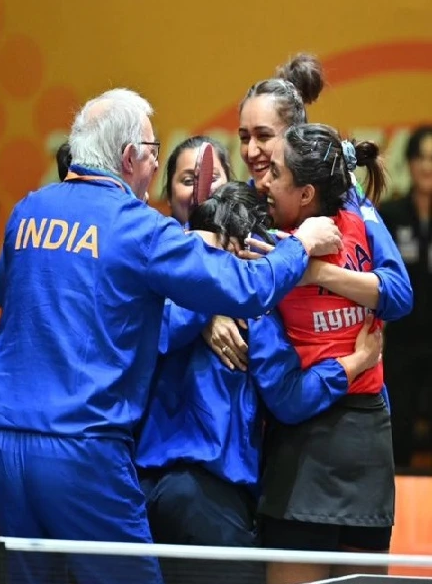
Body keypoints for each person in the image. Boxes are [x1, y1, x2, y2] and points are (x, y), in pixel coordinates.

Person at [0, 88, 343, 584]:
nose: (153, 166)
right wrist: (302, 245)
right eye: (152, 153)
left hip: (0, 441)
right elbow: (247, 286)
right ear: (130, 158)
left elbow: (8, 291)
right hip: (82, 448)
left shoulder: (27, 211)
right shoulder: (138, 228)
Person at [137, 180, 386, 584]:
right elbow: (289, 398)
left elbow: (151, 338)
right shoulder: (255, 315)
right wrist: (354, 364)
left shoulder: (157, 299)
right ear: (244, 249)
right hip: (210, 502)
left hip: (141, 496)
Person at [253, 123, 399, 584]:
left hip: (364, 437)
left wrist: (315, 271)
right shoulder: (265, 248)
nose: (263, 182)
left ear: (308, 192)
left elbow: (400, 293)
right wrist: (356, 362)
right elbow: (287, 400)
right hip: (302, 438)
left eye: (275, 172)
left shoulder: (361, 217)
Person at [204, 54, 412, 371]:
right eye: (244, 137)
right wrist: (207, 315)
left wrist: (313, 273)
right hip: (276, 402)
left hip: (350, 401)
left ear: (294, 136)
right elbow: (192, 278)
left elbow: (398, 295)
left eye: (264, 136)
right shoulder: (236, 205)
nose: (250, 151)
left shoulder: (347, 198)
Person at [377, 125, 432, 468]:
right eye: (422, 158)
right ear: (410, 164)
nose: (428, 166)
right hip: (401, 342)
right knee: (398, 433)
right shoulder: (391, 216)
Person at [160, 136, 233, 226]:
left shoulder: (250, 237)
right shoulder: (159, 239)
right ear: (169, 195)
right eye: (188, 181)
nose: (200, 191)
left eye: (212, 178)